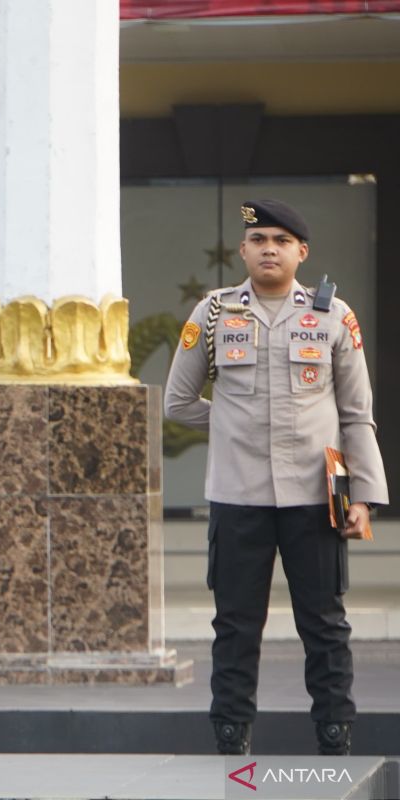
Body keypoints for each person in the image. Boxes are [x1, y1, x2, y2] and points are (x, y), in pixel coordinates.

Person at [164, 199, 388, 756]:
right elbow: (178, 402)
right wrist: (238, 422)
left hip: (315, 497)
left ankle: (335, 738)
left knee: (325, 624)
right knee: (235, 627)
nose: (270, 249)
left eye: (282, 241)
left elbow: (357, 414)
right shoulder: (212, 313)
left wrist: (364, 496)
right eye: (259, 239)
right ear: (243, 250)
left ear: (301, 252)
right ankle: (231, 740)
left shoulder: (333, 316)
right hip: (238, 497)